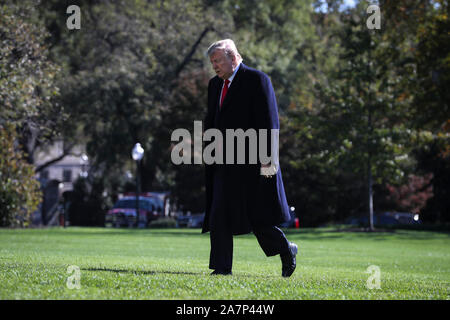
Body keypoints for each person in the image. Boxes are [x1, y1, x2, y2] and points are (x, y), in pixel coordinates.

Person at [202, 39, 298, 277]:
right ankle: (222, 268)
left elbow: (269, 122)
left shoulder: (257, 80)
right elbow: (212, 121)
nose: (214, 66)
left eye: (217, 60)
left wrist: (268, 160)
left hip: (254, 161)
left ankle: (286, 250)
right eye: (212, 62)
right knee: (219, 213)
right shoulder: (215, 85)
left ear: (233, 58)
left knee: (258, 216)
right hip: (224, 162)